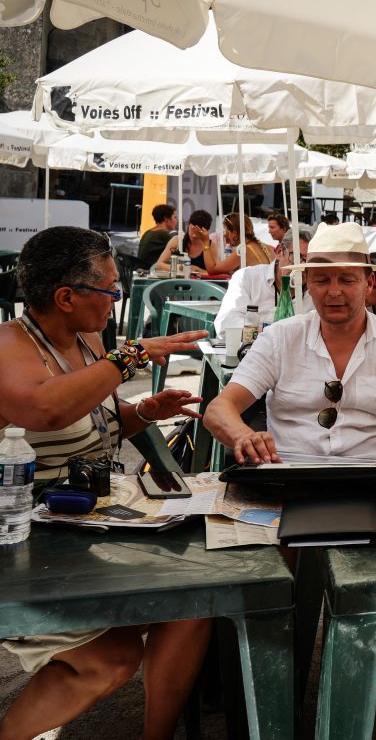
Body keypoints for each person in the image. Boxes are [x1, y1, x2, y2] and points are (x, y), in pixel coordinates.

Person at [0, 226, 211, 740]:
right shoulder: (8, 348)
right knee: (112, 658)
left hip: (87, 522)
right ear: (66, 297)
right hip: (24, 542)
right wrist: (130, 356)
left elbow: (99, 421)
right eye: (110, 289)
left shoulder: (88, 340)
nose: (117, 299)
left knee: (194, 600)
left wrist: (146, 411)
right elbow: (46, 410)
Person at [203, 222, 376, 465]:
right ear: (307, 281)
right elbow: (218, 409)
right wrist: (243, 436)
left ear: (369, 283)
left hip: (370, 475)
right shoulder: (278, 338)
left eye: (347, 280)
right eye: (322, 280)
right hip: (285, 475)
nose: (334, 291)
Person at [213, 227, 314, 335]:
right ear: (279, 251)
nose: (303, 266)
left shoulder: (315, 291)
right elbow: (225, 324)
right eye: (296, 257)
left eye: (309, 261)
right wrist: (268, 333)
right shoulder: (248, 278)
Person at [154, 209, 215, 273]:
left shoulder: (211, 246)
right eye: (192, 229)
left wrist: (198, 271)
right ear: (188, 225)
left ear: (206, 232)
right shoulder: (177, 241)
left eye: (198, 233)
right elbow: (159, 265)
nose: (194, 235)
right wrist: (181, 268)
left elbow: (215, 272)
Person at [137, 203, 177, 269]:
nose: (176, 221)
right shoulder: (163, 234)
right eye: (175, 217)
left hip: (141, 269)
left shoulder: (148, 232)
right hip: (149, 271)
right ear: (166, 218)